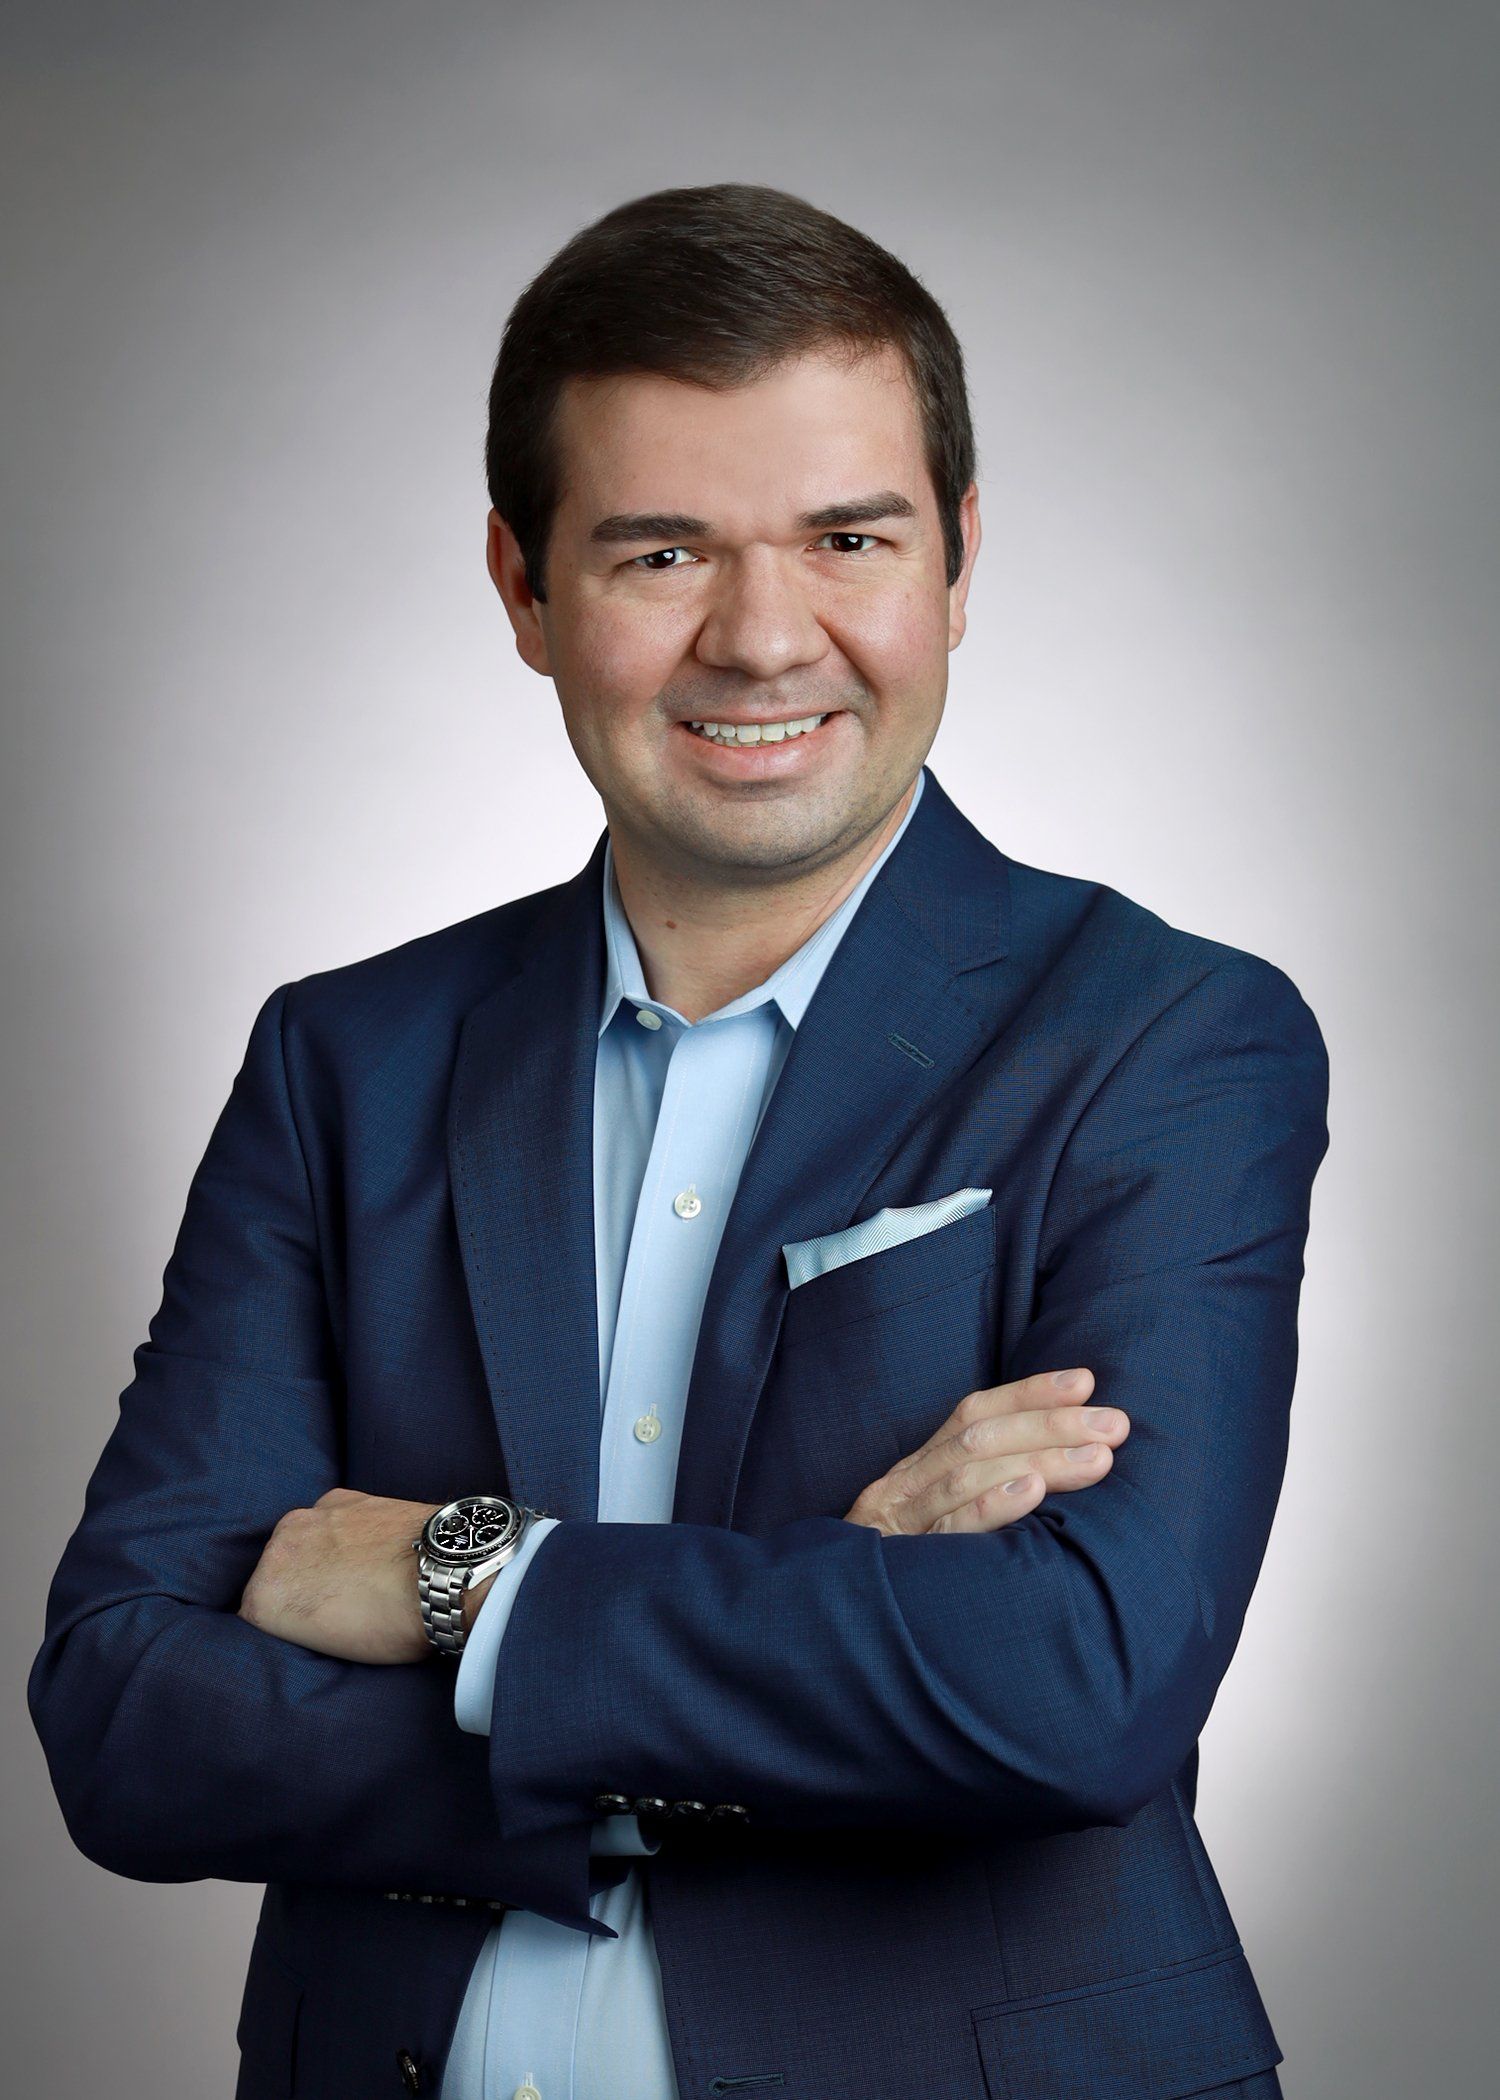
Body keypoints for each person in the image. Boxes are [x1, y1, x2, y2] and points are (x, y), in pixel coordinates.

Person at [27, 183, 1329, 2100]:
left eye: (847, 537)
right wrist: (827, 1619)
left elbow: (1078, 1687)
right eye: (659, 553)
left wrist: (464, 1587)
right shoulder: (346, 1060)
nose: (763, 636)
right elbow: (129, 1717)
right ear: (523, 588)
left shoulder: (1171, 1038)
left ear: (958, 561)